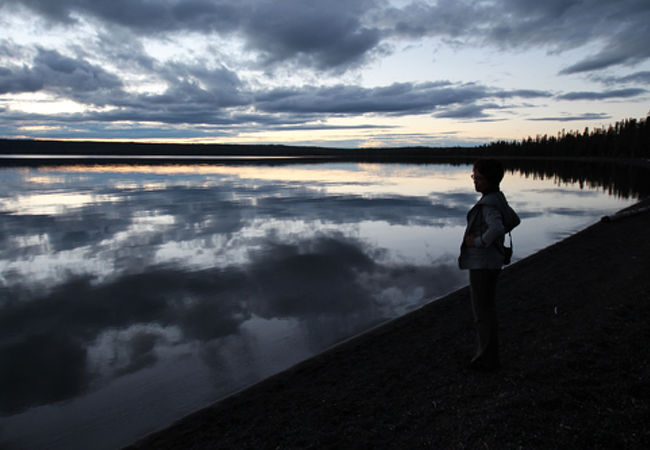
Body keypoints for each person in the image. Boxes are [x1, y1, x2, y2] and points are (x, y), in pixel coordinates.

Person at [458, 159, 520, 371]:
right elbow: (514, 219)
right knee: (487, 309)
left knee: (482, 312)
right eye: (474, 176)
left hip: (483, 264)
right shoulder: (497, 198)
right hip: (492, 262)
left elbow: (497, 229)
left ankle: (486, 358)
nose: (475, 180)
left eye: (478, 177)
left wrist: (479, 241)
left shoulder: (489, 203)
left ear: (489, 180)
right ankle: (488, 355)